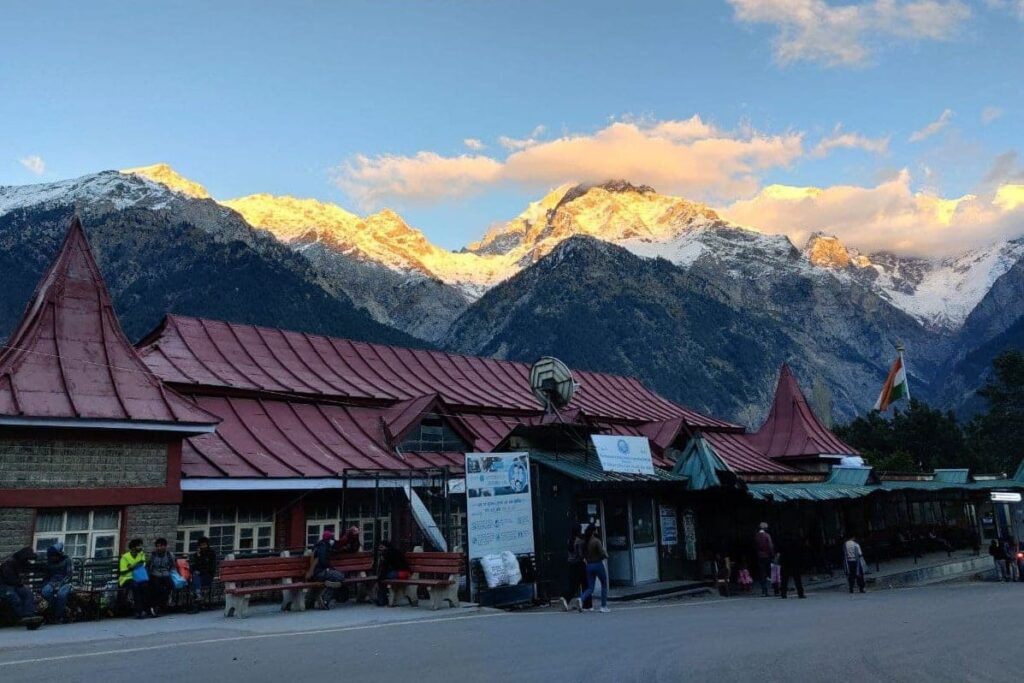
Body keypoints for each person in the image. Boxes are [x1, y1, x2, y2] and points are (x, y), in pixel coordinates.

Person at [0, 547, 42, 629]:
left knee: (28, 593)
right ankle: (22, 618)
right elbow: (9, 579)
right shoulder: (8, 563)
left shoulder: (20, 563)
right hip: (3, 586)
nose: (28, 561)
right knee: (15, 598)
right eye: (27, 559)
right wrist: (21, 583)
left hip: (14, 585)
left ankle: (29, 614)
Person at [576, 524, 610, 613]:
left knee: (590, 587)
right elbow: (602, 553)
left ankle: (581, 598)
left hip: (588, 565)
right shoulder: (596, 541)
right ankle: (603, 606)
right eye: (596, 530)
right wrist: (606, 555)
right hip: (598, 564)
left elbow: (581, 555)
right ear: (594, 531)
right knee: (604, 584)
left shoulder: (584, 542)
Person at [308, 530, 345, 609]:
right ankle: (324, 597)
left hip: (320, 572)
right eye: (332, 538)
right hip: (320, 573)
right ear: (329, 539)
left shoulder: (322, 545)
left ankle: (325, 600)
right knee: (340, 577)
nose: (333, 540)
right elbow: (323, 561)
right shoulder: (323, 547)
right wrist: (329, 568)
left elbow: (335, 549)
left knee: (335, 581)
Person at [40, 542, 74, 623]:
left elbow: (69, 575)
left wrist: (60, 585)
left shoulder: (67, 560)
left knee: (61, 595)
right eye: (51, 556)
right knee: (46, 592)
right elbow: (46, 577)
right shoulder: (49, 563)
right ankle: (51, 612)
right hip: (52, 582)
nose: (52, 558)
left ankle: (58, 616)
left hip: (65, 583)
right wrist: (45, 585)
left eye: (54, 556)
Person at [561, 526, 591, 611]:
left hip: (571, 564)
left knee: (573, 585)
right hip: (579, 564)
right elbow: (580, 555)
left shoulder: (569, 540)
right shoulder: (579, 541)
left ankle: (565, 598)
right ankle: (586, 604)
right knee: (585, 584)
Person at [119, 538, 150, 618]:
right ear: (133, 548)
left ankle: (146, 609)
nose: (141, 548)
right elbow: (122, 572)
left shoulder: (141, 554)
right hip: (126, 578)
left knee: (145, 586)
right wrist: (134, 567)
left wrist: (132, 566)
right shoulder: (125, 557)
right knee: (135, 586)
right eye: (139, 546)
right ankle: (138, 611)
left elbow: (142, 564)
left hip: (139, 577)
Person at [146, 538, 176, 616]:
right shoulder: (153, 555)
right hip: (155, 574)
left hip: (166, 574)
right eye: (157, 546)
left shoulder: (169, 555)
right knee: (156, 587)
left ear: (165, 546)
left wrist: (168, 572)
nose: (159, 548)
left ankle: (165, 603)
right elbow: (149, 566)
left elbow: (172, 565)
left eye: (161, 546)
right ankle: (155, 606)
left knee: (170, 586)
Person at [375, 539, 409, 606]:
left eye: (382, 547)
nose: (380, 549)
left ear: (386, 547)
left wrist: (379, 577)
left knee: (382, 579)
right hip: (402, 572)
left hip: (401, 573)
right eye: (379, 547)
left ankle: (382, 600)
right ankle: (382, 599)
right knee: (382, 578)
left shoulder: (387, 554)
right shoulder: (393, 551)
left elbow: (385, 567)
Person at [190, 536, 217, 607]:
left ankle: (197, 598)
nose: (203, 547)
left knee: (194, 583)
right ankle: (198, 597)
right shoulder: (196, 555)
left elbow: (211, 568)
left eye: (204, 545)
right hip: (197, 577)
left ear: (207, 544)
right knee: (194, 578)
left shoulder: (211, 553)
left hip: (208, 576)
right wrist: (198, 556)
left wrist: (200, 572)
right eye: (201, 545)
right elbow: (193, 567)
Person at [779, 534, 806, 599]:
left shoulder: (783, 544)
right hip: (794, 562)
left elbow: (780, 552)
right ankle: (800, 593)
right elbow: (800, 552)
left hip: (785, 562)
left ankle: (783, 593)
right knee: (797, 578)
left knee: (784, 579)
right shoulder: (796, 543)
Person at [754, 522, 774, 597]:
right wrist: (772, 554)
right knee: (769, 573)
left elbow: (755, 546)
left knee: (762, 573)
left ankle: (764, 590)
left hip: (759, 556)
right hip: (767, 556)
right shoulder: (767, 535)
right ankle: (772, 589)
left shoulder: (756, 536)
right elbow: (770, 545)